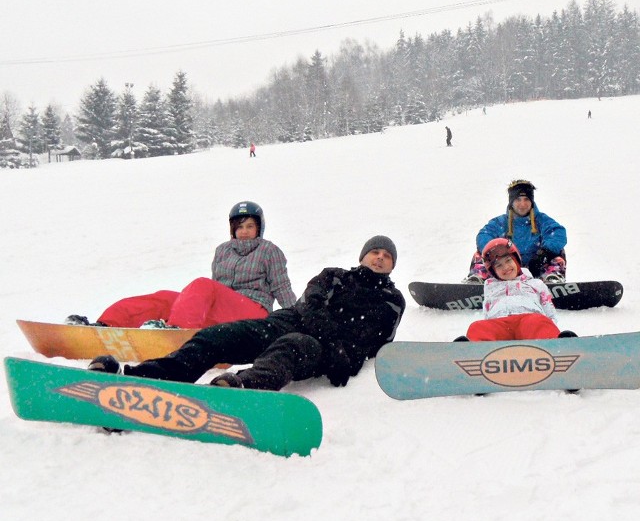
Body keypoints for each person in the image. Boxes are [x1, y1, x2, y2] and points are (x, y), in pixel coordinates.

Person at [88, 235, 406, 391]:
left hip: (326, 350)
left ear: (392, 265)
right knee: (219, 335)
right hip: (289, 321)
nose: (379, 258)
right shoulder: (333, 274)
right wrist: (325, 325)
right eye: (375, 252)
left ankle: (240, 387)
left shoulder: (392, 300)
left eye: (386, 256)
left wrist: (339, 350)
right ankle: (143, 378)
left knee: (292, 346)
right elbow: (307, 304)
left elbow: (372, 344)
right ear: (363, 256)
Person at [66, 201, 296, 329]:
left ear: (259, 228)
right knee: (165, 297)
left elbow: (282, 288)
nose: (244, 232)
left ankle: (174, 332)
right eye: (239, 226)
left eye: (249, 226)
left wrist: (296, 321)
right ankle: (105, 324)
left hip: (253, 312)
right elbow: (216, 292)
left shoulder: (269, 250)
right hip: (224, 311)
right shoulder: (223, 250)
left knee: (202, 286)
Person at [455, 239, 575, 342]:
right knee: (477, 327)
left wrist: (549, 327)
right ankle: (472, 353)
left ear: (516, 260)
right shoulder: (490, 286)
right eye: (499, 266)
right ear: (493, 271)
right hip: (500, 323)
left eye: (508, 261)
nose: (506, 267)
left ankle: (555, 348)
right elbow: (487, 310)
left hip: (528, 319)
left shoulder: (535, 283)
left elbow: (549, 310)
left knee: (539, 321)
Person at [463, 180, 567, 284]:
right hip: (505, 267)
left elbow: (557, 233)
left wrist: (544, 254)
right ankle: (477, 281)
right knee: (481, 254)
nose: (522, 204)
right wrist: (496, 253)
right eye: (518, 199)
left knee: (557, 252)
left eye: (526, 199)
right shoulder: (500, 222)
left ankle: (552, 280)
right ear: (511, 202)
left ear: (532, 202)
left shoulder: (541, 220)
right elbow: (484, 235)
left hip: (537, 267)